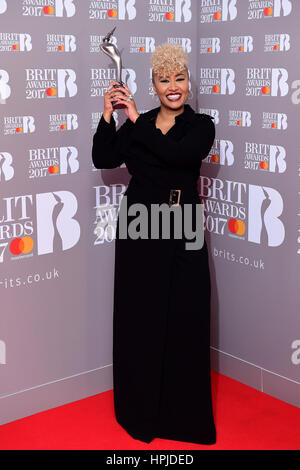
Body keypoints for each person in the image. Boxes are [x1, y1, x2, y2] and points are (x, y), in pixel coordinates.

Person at [92, 43, 216, 445]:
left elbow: (178, 156)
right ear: (155, 84)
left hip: (182, 224)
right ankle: (139, 411)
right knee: (140, 317)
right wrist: (109, 114)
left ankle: (181, 418)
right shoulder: (139, 121)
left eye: (179, 78)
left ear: (188, 82)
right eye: (165, 80)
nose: (173, 86)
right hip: (139, 226)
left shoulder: (202, 126)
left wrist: (135, 121)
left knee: (185, 315)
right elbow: (104, 158)